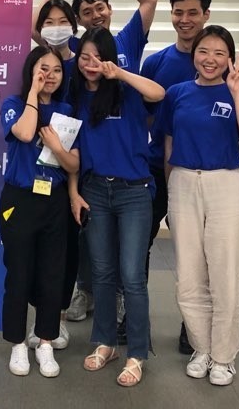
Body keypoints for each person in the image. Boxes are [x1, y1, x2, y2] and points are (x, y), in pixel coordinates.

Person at [39, 0, 157, 327]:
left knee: (127, 248)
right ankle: (86, 290)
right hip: (87, 153)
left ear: (110, 9)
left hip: (127, 159)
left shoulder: (126, 42)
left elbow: (149, 0)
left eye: (100, 8)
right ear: (78, 20)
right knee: (90, 236)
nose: (95, 15)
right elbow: (38, 29)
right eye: (86, 12)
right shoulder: (76, 49)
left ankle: (120, 297)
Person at [158, 26, 239, 386]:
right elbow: (169, 143)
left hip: (225, 185)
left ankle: (223, 356)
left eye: (220, 53)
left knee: (225, 276)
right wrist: (172, 186)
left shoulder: (238, 93)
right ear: (194, 55)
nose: (210, 59)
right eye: (204, 51)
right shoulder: (177, 93)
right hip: (183, 184)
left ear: (229, 59)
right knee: (188, 278)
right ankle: (201, 348)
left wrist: (237, 93)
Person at [68, 27, 165, 388]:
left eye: (98, 57)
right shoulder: (76, 97)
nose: (90, 64)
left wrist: (120, 73)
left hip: (134, 192)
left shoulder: (127, 92)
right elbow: (73, 151)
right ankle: (105, 342)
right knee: (102, 272)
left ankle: (137, 353)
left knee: (132, 276)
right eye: (84, 57)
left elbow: (159, 92)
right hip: (94, 190)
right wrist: (74, 193)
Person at [139, 0, 212, 355]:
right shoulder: (156, 63)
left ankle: (192, 326)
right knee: (139, 246)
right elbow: (144, 120)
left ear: (206, 15)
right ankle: (134, 319)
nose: (185, 19)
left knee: (196, 252)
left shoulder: (217, 63)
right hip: (154, 171)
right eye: (178, 12)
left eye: (192, 12)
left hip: (200, 175)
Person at [0, 47, 80, 378]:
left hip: (54, 201)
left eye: (57, 70)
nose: (50, 75)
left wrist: (58, 147)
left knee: (52, 273)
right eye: (42, 69)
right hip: (19, 199)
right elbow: (22, 132)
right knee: (19, 272)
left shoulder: (67, 111)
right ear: (31, 71)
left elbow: (73, 164)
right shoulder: (13, 104)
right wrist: (34, 92)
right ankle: (18, 343)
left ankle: (45, 342)